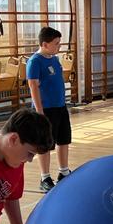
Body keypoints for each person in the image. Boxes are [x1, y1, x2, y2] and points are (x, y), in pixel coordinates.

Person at [26, 27, 73, 192]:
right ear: (45, 44)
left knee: (63, 140)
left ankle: (63, 172)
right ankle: (45, 177)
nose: (59, 47)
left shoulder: (54, 59)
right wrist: (40, 111)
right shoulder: (35, 61)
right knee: (45, 144)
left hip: (60, 107)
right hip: (46, 110)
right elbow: (33, 87)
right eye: (56, 44)